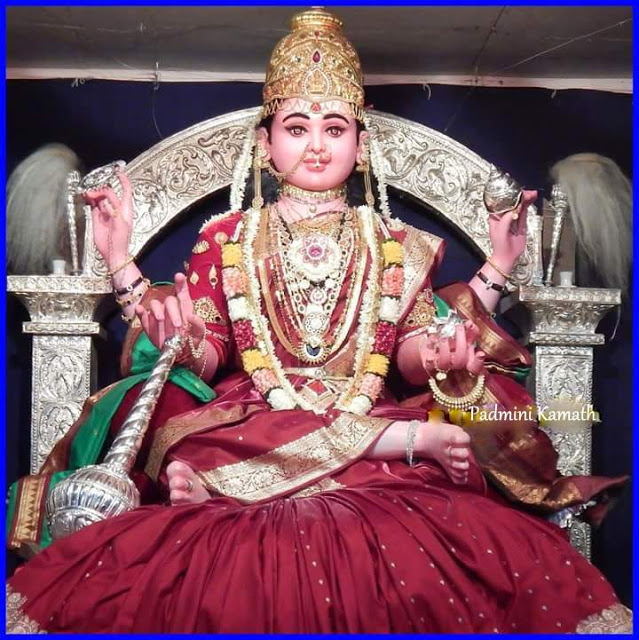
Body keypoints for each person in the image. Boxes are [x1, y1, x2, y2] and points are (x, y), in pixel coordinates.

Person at [6, 8, 631, 633]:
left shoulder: (396, 244)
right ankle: (351, 453)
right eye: (296, 127)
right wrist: (172, 321)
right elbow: (210, 351)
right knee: (191, 427)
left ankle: (252, 474)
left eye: (335, 128)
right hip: (257, 415)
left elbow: (407, 349)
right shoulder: (226, 238)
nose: (316, 144)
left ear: (360, 144)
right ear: (264, 143)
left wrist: (439, 355)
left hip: (364, 410)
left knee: (462, 464)